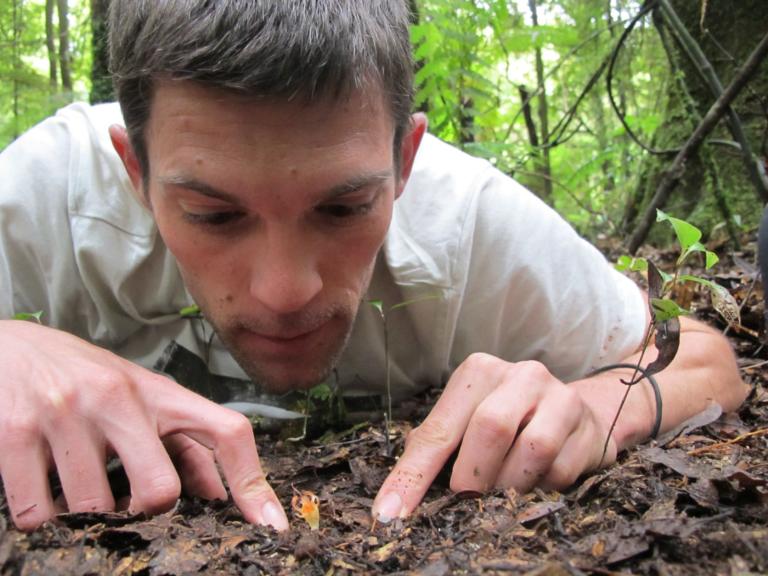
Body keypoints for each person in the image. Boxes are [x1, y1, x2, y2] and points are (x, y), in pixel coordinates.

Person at [0, 1, 747, 532]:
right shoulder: (48, 198)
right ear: (135, 172)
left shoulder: (468, 222)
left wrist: (597, 408)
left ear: (405, 160)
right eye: (215, 215)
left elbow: (706, 362)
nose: (286, 291)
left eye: (343, 207)